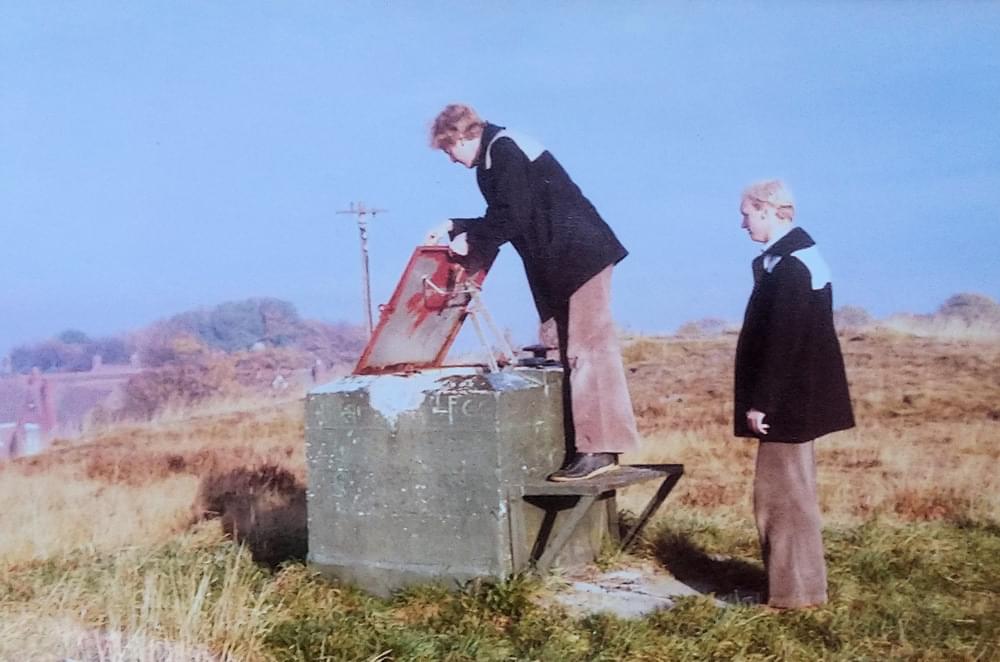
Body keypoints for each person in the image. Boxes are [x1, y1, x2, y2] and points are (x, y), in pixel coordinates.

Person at [425, 103, 640, 481]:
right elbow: (507, 215)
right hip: (557, 262)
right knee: (558, 349)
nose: (451, 161)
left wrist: (471, 238)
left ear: (462, 136)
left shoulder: (504, 151)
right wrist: (457, 225)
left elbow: (513, 217)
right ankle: (577, 446)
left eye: (449, 150)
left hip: (578, 257)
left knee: (588, 350)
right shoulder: (495, 154)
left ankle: (600, 449)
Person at [734, 179, 855, 609]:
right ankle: (805, 591)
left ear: (767, 210)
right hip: (799, 398)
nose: (742, 222)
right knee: (796, 495)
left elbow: (782, 342)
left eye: (746, 213)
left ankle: (788, 597)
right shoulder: (798, 259)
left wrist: (761, 402)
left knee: (779, 499)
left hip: (786, 402)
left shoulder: (790, 267)